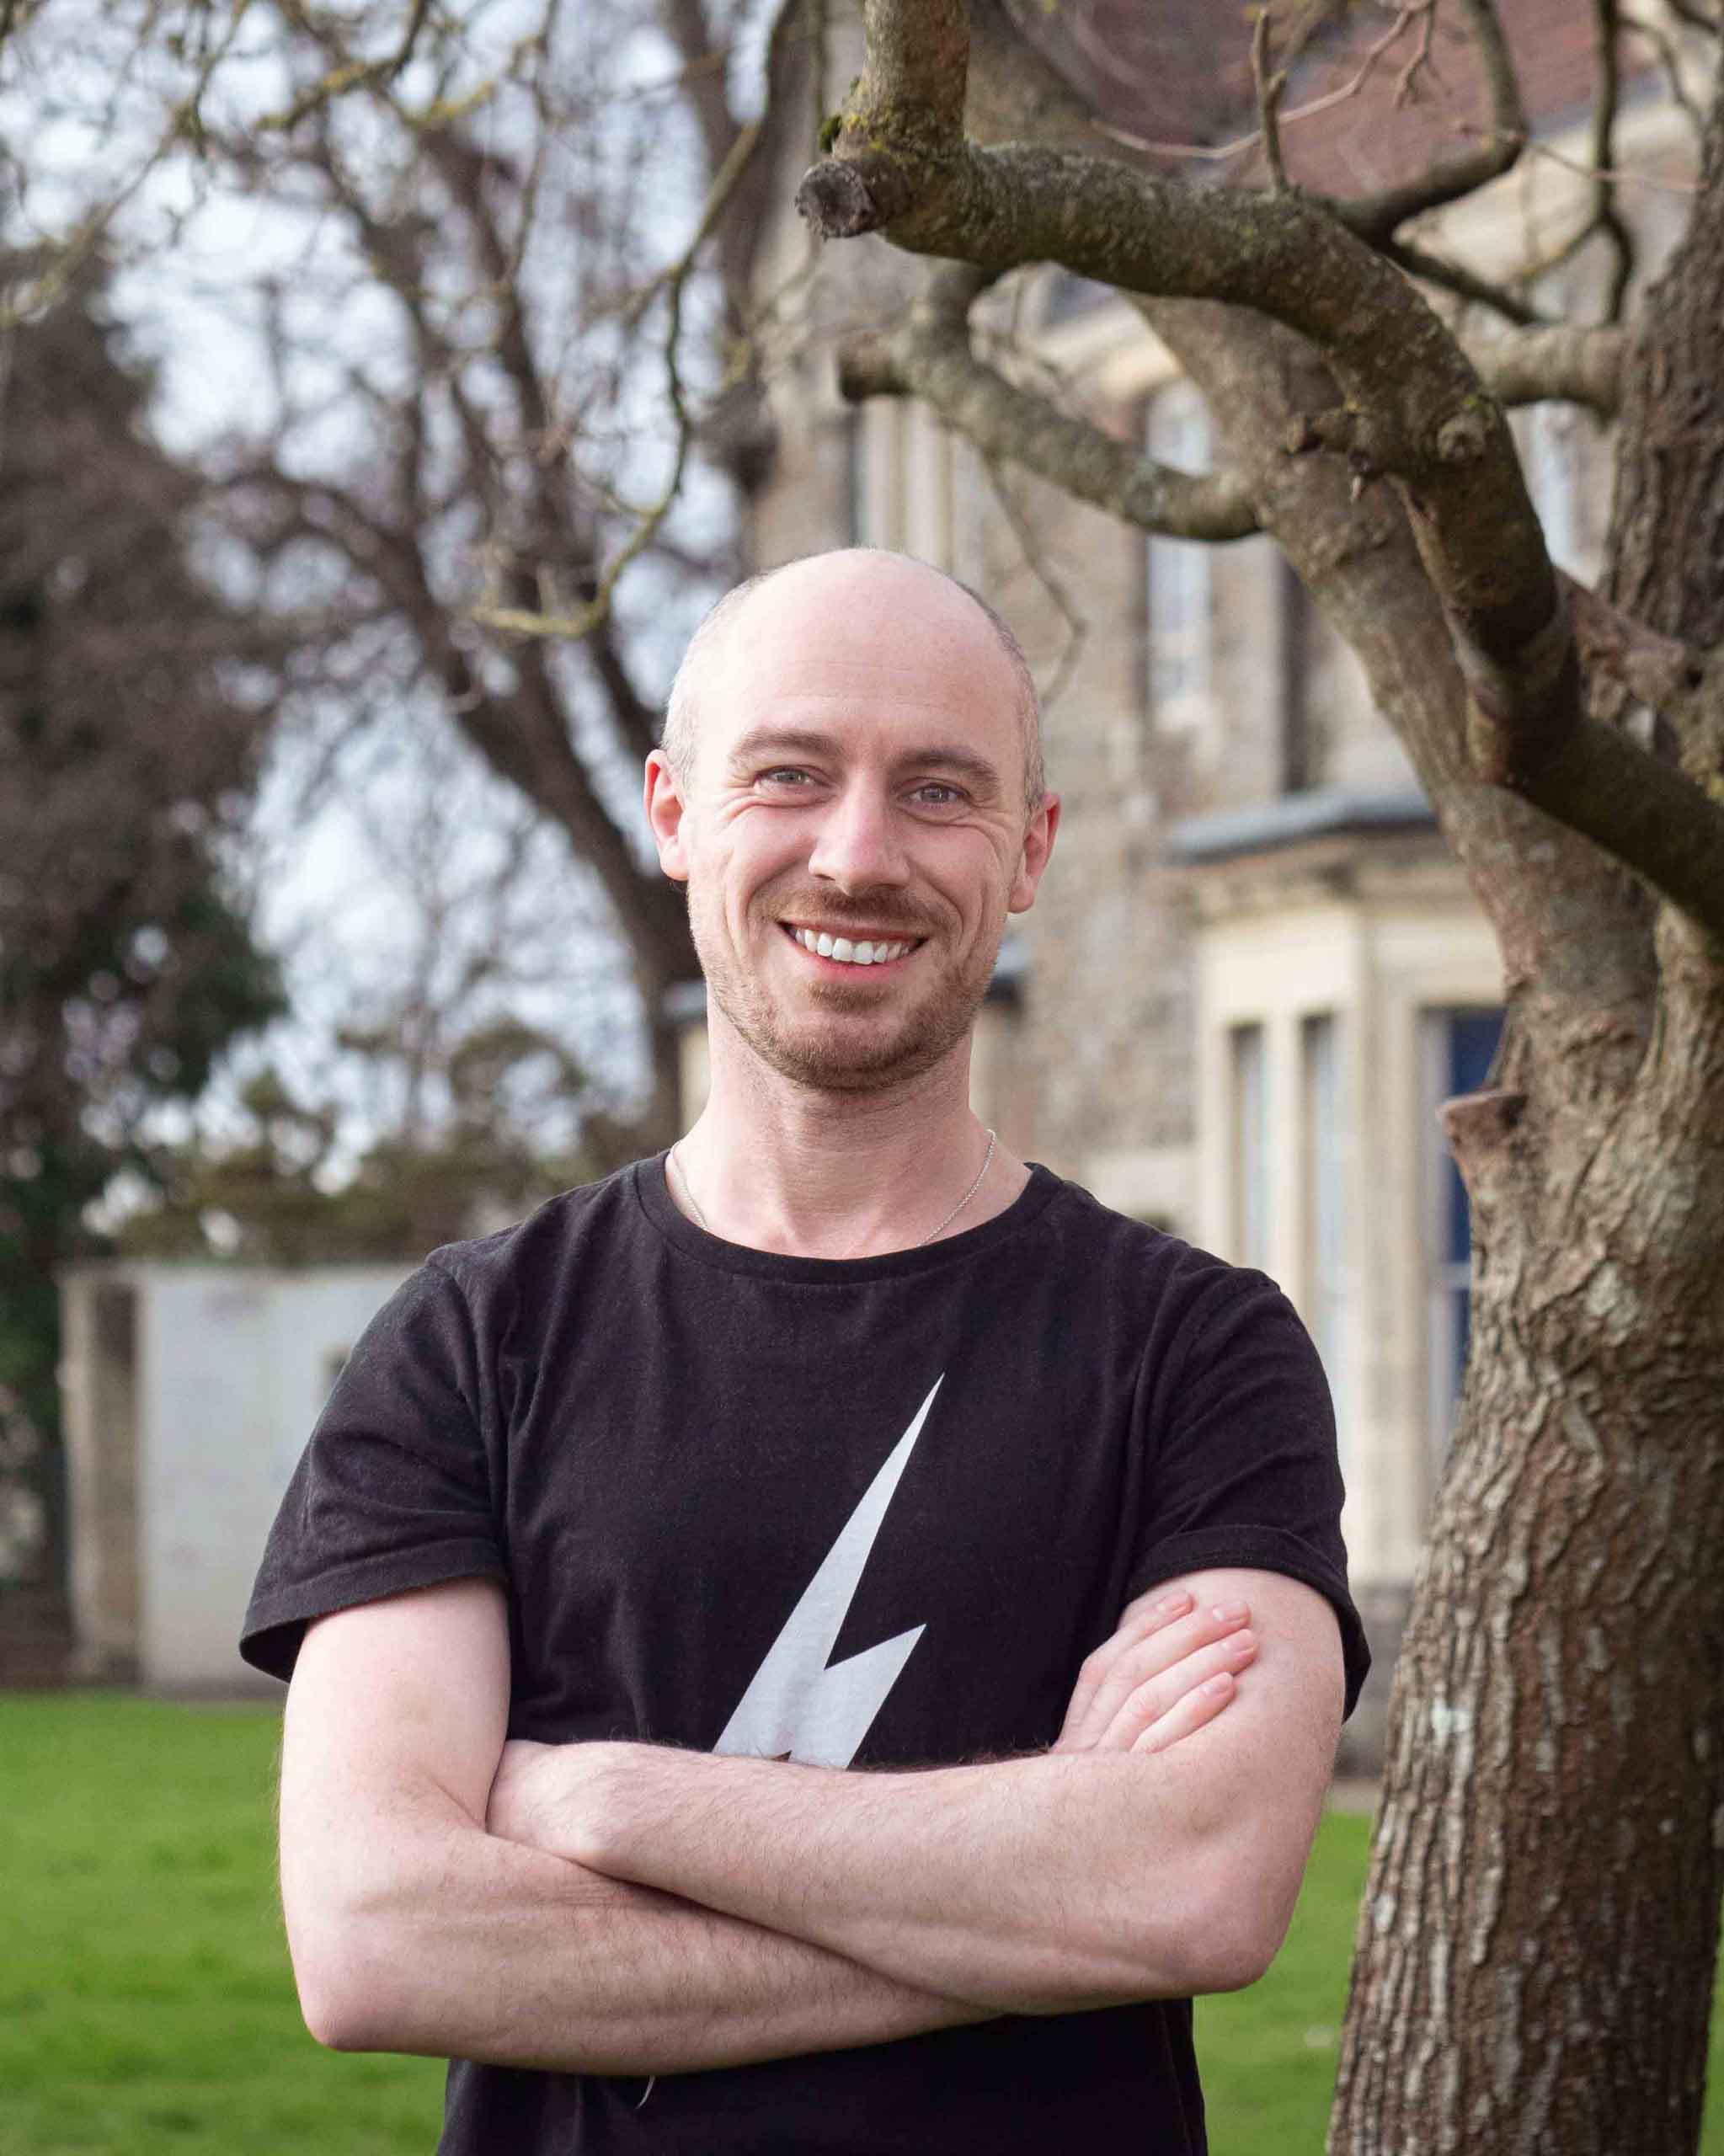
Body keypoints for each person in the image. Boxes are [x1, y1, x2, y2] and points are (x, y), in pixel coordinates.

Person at [241, 547, 1369, 2154]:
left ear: (1032, 848)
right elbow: (377, 1940)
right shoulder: (473, 1343)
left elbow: (1195, 1887)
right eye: (789, 774)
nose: (858, 855)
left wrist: (601, 1801)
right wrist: (1033, 1903)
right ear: (673, 811)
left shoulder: (1198, 1353)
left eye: (940, 791)